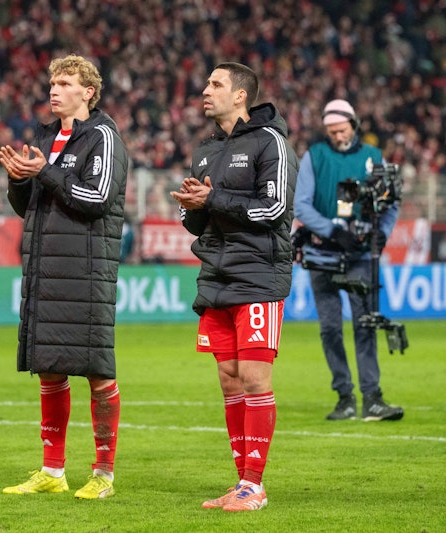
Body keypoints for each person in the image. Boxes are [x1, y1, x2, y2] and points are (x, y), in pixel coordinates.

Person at [0, 54, 129, 500]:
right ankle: (52, 471)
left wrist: (45, 172)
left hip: (85, 271)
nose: (54, 90)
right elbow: (29, 208)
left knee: (96, 371)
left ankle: (104, 474)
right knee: (50, 370)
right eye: (52, 82)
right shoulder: (45, 137)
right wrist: (19, 180)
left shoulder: (104, 137)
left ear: (88, 92)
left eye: (66, 83)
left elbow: (96, 198)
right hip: (45, 269)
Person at [169, 63, 297, 511]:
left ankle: (255, 486)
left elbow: (274, 209)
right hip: (216, 277)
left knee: (255, 379)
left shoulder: (270, 142)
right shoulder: (205, 150)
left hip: (258, 275)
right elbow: (196, 223)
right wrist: (192, 207)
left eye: (216, 84)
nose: (205, 90)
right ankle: (241, 481)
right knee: (229, 381)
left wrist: (214, 199)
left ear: (240, 95)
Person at [293, 99, 403, 422]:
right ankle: (345, 396)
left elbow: (391, 202)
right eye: (331, 131)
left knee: (365, 326)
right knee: (330, 329)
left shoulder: (374, 157)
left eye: (341, 130)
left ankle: (372, 398)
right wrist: (333, 231)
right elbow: (301, 205)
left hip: (360, 255)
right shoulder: (314, 156)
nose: (337, 136)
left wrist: (383, 233)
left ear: (354, 125)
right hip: (322, 253)